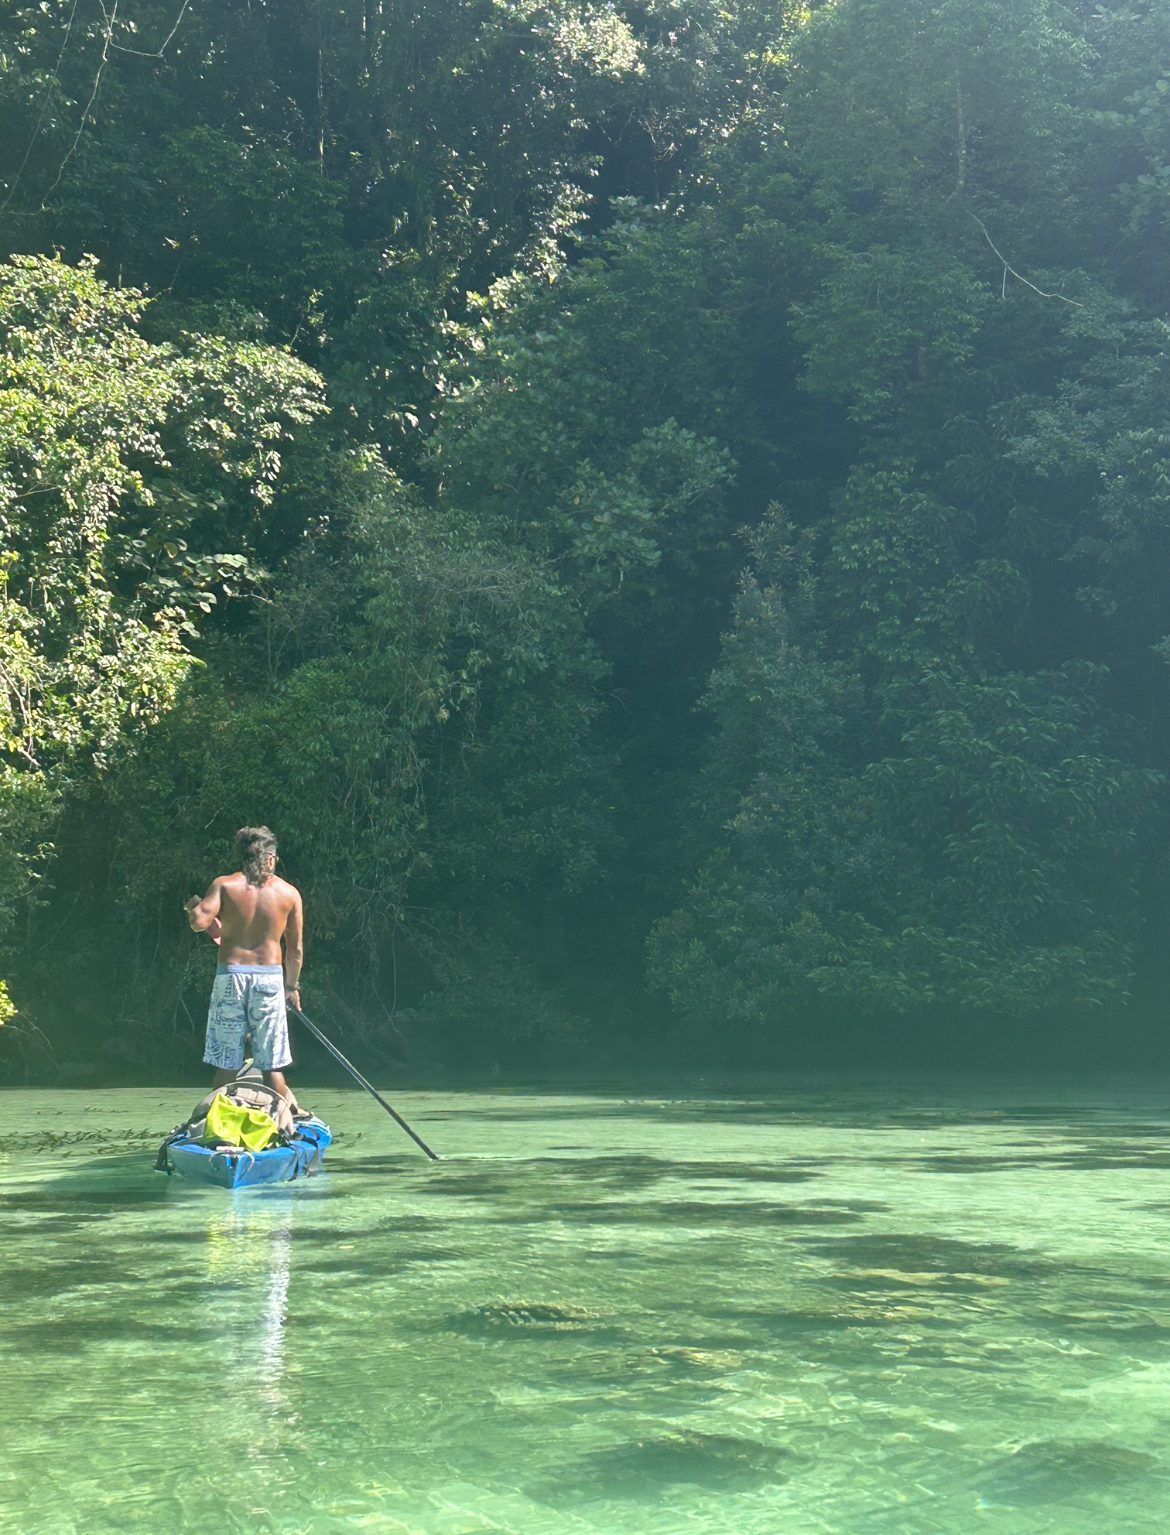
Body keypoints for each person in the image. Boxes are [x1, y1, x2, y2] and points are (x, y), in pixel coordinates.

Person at [184, 825, 303, 1100]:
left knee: (227, 1063)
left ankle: (216, 1120)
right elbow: (294, 950)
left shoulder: (225, 885)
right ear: (270, 858)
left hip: (231, 976)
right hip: (269, 978)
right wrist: (291, 986)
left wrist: (193, 910)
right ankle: (286, 1118)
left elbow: (200, 923)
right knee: (271, 1065)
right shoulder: (289, 893)